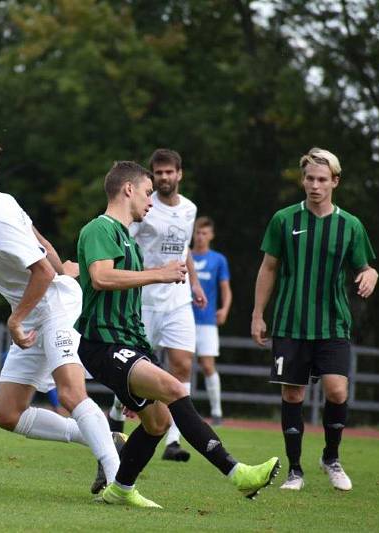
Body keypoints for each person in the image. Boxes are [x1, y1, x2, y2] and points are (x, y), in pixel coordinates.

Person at [78, 161, 279, 508]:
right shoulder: (100, 228)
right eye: (145, 191)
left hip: (126, 344)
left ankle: (121, 489)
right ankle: (238, 474)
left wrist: (141, 365)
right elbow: (101, 277)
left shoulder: (129, 240)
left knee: (157, 423)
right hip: (102, 344)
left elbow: (126, 305)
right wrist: (158, 274)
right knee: (174, 388)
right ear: (128, 190)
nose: (150, 200)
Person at [0, 138, 121, 494]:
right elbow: (46, 245)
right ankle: (104, 440)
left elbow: (41, 271)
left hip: (54, 310)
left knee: (72, 395)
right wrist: (65, 270)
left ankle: (120, 479)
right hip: (36, 314)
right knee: (8, 414)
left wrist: (16, 318)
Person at [251, 147, 378, 492]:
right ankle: (295, 471)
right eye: (309, 178)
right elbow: (269, 268)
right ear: (303, 180)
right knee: (293, 396)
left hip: (333, 323)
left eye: (322, 179)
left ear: (335, 181)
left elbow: (366, 267)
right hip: (290, 322)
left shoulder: (350, 225)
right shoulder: (284, 219)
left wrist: (370, 276)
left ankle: (331, 458)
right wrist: (257, 314)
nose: (315, 185)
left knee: (337, 390)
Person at [127, 148, 207, 462]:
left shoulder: (189, 208)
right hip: (146, 298)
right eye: (158, 173)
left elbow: (185, 247)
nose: (163, 177)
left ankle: (173, 440)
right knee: (133, 366)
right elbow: (128, 243)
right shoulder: (145, 206)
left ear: (179, 174)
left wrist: (196, 283)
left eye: (169, 172)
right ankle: (115, 422)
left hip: (178, 297)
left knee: (183, 365)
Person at [190, 216, 232, 425]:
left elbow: (226, 289)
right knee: (182, 366)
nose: (200, 236)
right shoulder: (185, 255)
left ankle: (216, 412)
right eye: (197, 232)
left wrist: (224, 309)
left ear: (211, 235)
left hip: (207, 321)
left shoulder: (218, 260)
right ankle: (182, 412)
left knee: (207, 366)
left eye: (204, 233)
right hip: (184, 319)